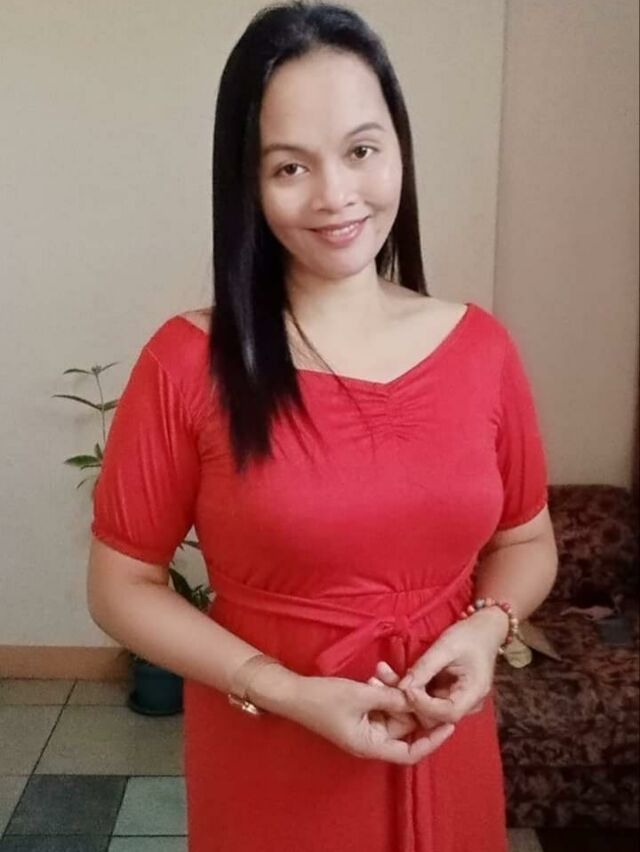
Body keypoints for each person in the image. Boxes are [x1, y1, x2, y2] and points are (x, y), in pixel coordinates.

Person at [87, 2, 558, 850]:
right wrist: (285, 689)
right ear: (248, 182)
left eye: (361, 151)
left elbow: (527, 539)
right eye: (290, 166)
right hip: (274, 753)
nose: (336, 194)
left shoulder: (482, 349)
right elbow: (121, 585)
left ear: (399, 150)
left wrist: (488, 628)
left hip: (445, 752)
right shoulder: (186, 364)